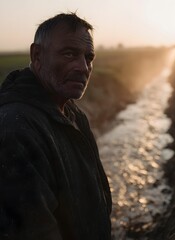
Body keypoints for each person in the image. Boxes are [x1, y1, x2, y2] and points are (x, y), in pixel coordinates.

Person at [0, 13, 112, 240]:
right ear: (37, 55)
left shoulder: (73, 112)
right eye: (69, 54)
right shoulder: (14, 129)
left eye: (89, 58)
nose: (83, 67)